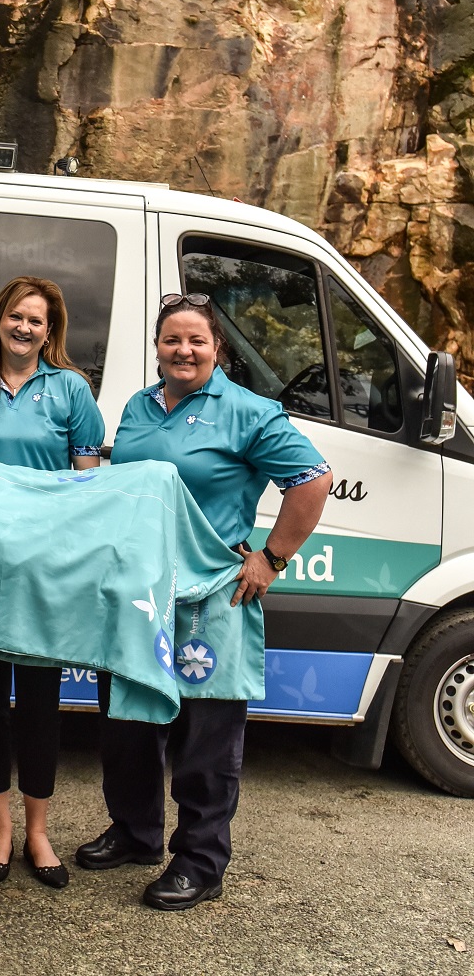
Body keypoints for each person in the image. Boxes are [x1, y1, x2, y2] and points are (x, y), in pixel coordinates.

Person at [74, 292, 332, 910]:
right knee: (128, 726)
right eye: (172, 340)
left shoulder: (249, 412)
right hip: (139, 591)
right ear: (158, 347)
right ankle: (137, 835)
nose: (183, 350)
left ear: (217, 348)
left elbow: (313, 479)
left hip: (211, 595)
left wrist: (270, 558)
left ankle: (200, 860)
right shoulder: (139, 406)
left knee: (205, 740)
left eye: (196, 340)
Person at [0, 276, 104, 890]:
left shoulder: (72, 391)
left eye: (37, 320)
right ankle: (0, 828)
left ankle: (38, 831)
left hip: (42, 573)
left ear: (50, 330)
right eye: (16, 316)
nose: (25, 328)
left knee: (38, 703)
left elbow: (88, 488)